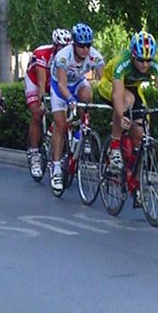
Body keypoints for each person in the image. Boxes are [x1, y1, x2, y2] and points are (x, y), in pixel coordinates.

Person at [96, 31, 158, 186]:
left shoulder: (156, 63)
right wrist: (121, 116)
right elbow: (117, 95)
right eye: (141, 60)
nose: (145, 65)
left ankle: (133, 178)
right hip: (110, 84)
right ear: (133, 56)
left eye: (148, 60)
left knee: (140, 129)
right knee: (126, 100)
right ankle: (114, 147)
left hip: (133, 88)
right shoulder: (122, 62)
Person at [48, 23, 105, 194]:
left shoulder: (95, 56)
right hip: (60, 86)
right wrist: (70, 100)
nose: (85, 49)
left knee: (87, 96)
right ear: (74, 44)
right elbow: (62, 85)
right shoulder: (63, 56)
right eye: (81, 45)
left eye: (88, 45)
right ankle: (56, 169)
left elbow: (105, 82)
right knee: (60, 125)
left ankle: (82, 132)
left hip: (78, 82)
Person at [24, 28, 72, 180]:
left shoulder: (71, 56)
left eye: (66, 47)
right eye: (61, 47)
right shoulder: (42, 54)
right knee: (37, 113)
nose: (64, 50)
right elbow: (41, 82)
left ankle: (53, 137)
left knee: (62, 116)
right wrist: (41, 101)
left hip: (54, 81)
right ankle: (34, 153)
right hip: (34, 80)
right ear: (55, 45)